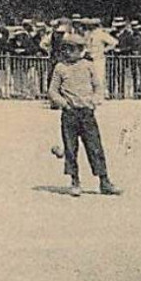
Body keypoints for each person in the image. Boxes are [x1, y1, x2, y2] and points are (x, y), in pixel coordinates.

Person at [47, 34, 122, 197]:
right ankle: (75, 181)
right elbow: (52, 91)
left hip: (87, 113)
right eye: (65, 49)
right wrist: (64, 104)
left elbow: (98, 87)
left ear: (81, 50)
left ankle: (104, 181)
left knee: (95, 147)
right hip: (69, 114)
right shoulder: (60, 67)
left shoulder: (88, 66)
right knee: (70, 148)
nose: (68, 53)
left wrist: (94, 101)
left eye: (72, 49)